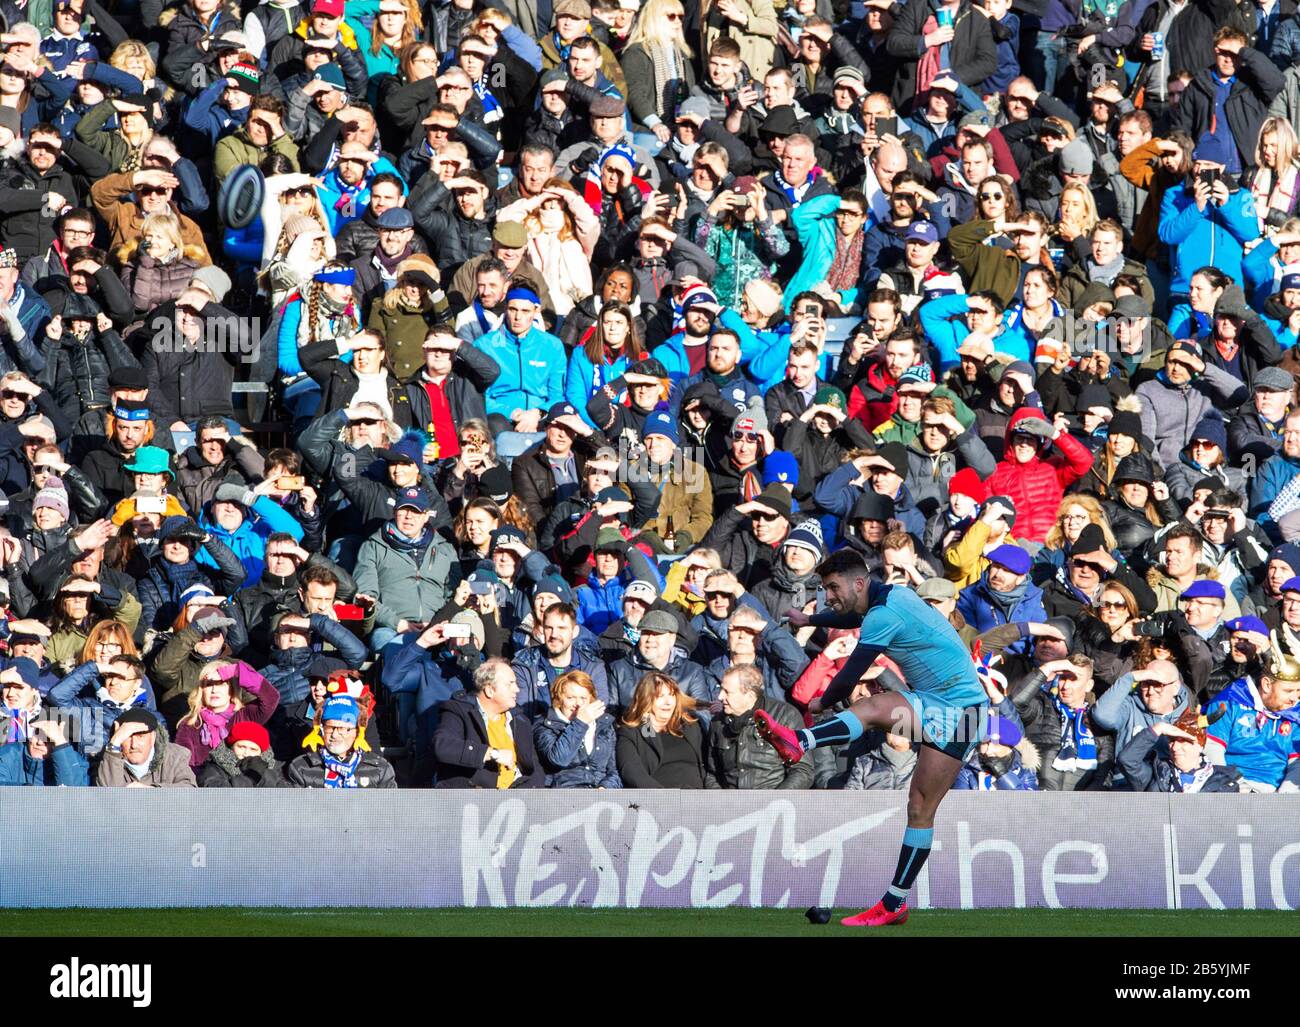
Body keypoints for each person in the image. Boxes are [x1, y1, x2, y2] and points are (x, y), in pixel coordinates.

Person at [762, 549, 988, 926]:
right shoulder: (893, 596)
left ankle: (799, 741)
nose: (829, 595)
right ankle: (895, 906)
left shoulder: (884, 615)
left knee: (918, 802)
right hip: (944, 703)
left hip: (963, 711)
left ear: (859, 582)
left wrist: (822, 703)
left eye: (832, 588)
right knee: (915, 801)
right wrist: (811, 617)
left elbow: (850, 675)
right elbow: (851, 613)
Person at [432, 657, 545, 788]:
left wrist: (524, 795)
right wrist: (491, 753)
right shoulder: (458, 711)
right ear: (490, 690)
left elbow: (535, 769)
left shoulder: (520, 720)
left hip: (514, 801)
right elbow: (442, 746)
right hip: (471, 801)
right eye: (510, 684)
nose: (517, 689)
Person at [704, 664, 812, 788]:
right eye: (721, 690)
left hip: (773, 800)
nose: (720, 697)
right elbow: (712, 774)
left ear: (750, 696)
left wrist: (776, 803)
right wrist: (724, 804)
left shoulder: (784, 716)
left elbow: (802, 770)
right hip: (731, 803)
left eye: (727, 692)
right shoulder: (718, 723)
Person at [614, 669, 707, 787]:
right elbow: (632, 773)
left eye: (672, 695)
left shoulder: (691, 726)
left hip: (698, 798)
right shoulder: (631, 733)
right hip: (660, 799)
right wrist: (663, 797)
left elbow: (708, 768)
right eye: (660, 696)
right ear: (646, 700)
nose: (668, 702)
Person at [533, 668, 621, 787]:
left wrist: (605, 788)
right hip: (563, 797)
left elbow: (614, 770)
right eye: (570, 698)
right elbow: (559, 759)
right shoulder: (545, 725)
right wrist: (580, 722)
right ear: (558, 699)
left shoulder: (604, 724)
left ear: (591, 699)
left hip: (601, 797)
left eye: (583, 698)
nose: (578, 704)